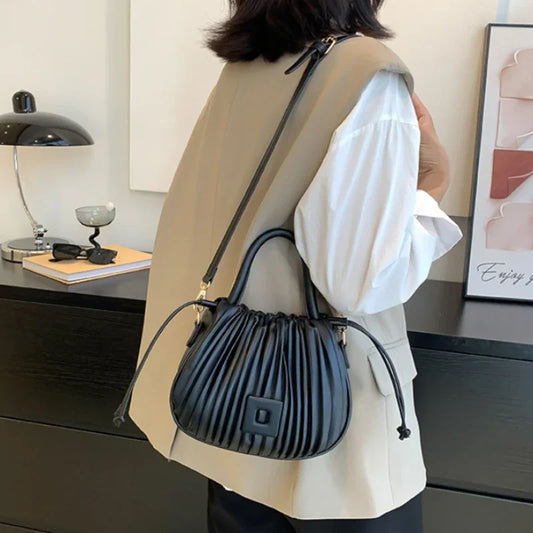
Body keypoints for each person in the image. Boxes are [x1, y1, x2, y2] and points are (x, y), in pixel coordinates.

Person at [127, 1, 463, 531]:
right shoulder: (366, 74)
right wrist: (432, 186)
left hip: (232, 402)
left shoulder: (245, 68)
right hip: (330, 426)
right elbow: (361, 284)